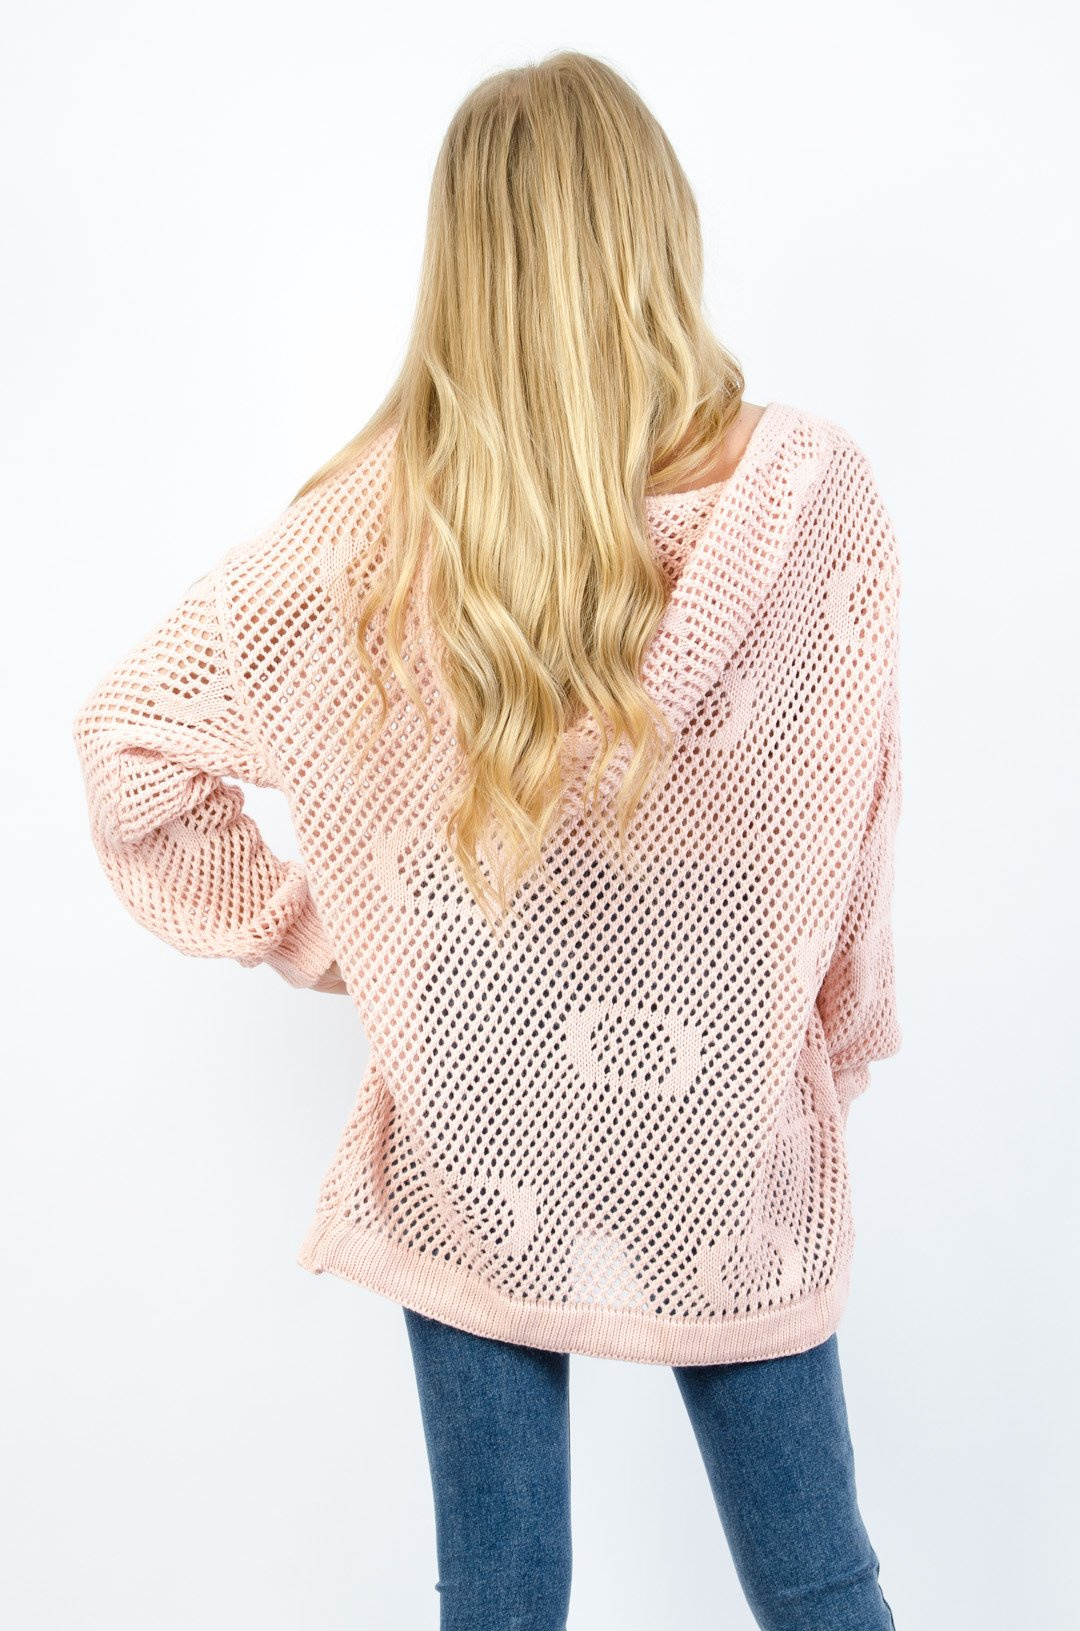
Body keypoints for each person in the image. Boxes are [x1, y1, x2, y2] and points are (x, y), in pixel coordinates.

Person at [71, 49, 902, 1631]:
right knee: (818, 1578)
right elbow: (850, 815)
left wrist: (338, 937)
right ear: (657, 228)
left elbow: (128, 741)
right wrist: (834, 1047)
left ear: (465, 259)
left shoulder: (380, 529)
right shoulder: (813, 493)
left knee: (502, 1590)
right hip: (728, 1103)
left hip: (471, 1100)